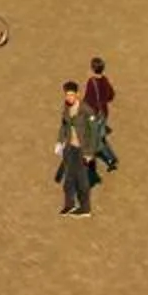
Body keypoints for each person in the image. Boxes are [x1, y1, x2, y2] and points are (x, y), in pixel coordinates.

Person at [55, 83, 95, 216]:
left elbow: (93, 132)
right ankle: (69, 205)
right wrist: (60, 141)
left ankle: (85, 208)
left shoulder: (86, 110)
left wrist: (89, 152)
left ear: (77, 94)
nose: (69, 97)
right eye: (67, 95)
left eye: (71, 94)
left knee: (82, 180)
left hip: (82, 150)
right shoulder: (66, 108)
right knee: (69, 178)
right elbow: (64, 126)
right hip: (69, 148)